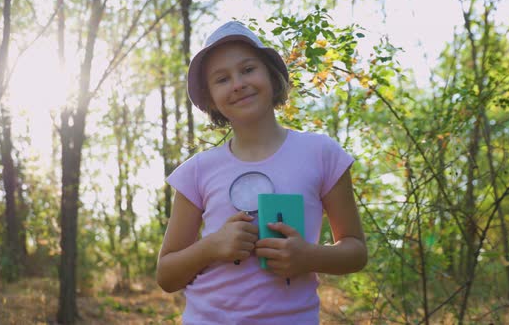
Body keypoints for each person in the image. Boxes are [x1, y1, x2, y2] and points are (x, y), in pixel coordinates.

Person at [156, 21, 367, 324]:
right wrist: (212, 247)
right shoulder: (196, 172)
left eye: (248, 69)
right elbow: (166, 276)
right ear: (211, 98)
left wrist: (308, 255)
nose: (238, 83)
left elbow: (356, 251)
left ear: (271, 74)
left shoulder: (322, 154)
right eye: (222, 79)